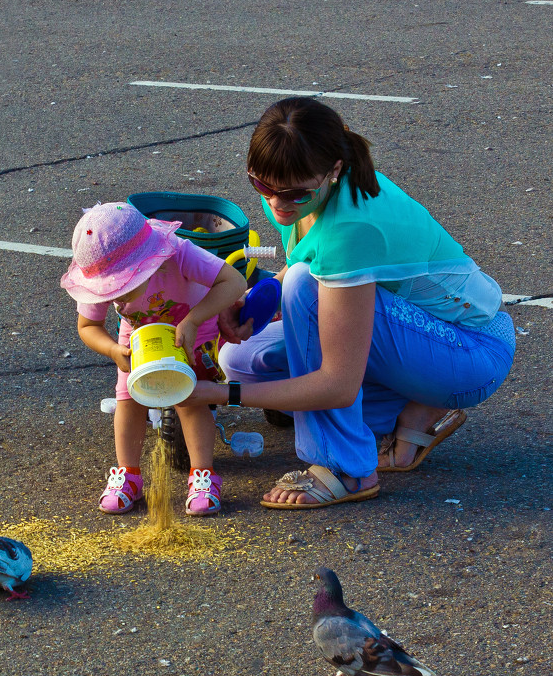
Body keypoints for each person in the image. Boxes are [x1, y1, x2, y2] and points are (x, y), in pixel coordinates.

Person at [185, 97, 516, 509]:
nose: (276, 203)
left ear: (334, 170)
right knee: (243, 361)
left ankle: (346, 469)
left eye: (292, 193)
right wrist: (260, 296)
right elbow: (307, 254)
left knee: (306, 291)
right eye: (262, 186)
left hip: (471, 353)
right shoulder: (304, 190)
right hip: (421, 338)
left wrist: (219, 395)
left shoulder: (351, 227)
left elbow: (338, 385)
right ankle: (410, 413)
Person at [60, 202, 246, 516]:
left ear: (150, 263)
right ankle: (127, 474)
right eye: (108, 292)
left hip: (190, 329)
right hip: (137, 337)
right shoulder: (100, 269)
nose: (115, 297)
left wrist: (194, 320)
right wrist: (111, 350)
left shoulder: (179, 253)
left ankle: (203, 474)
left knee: (191, 397)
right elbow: (88, 326)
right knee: (128, 398)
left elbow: (234, 282)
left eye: (122, 287)